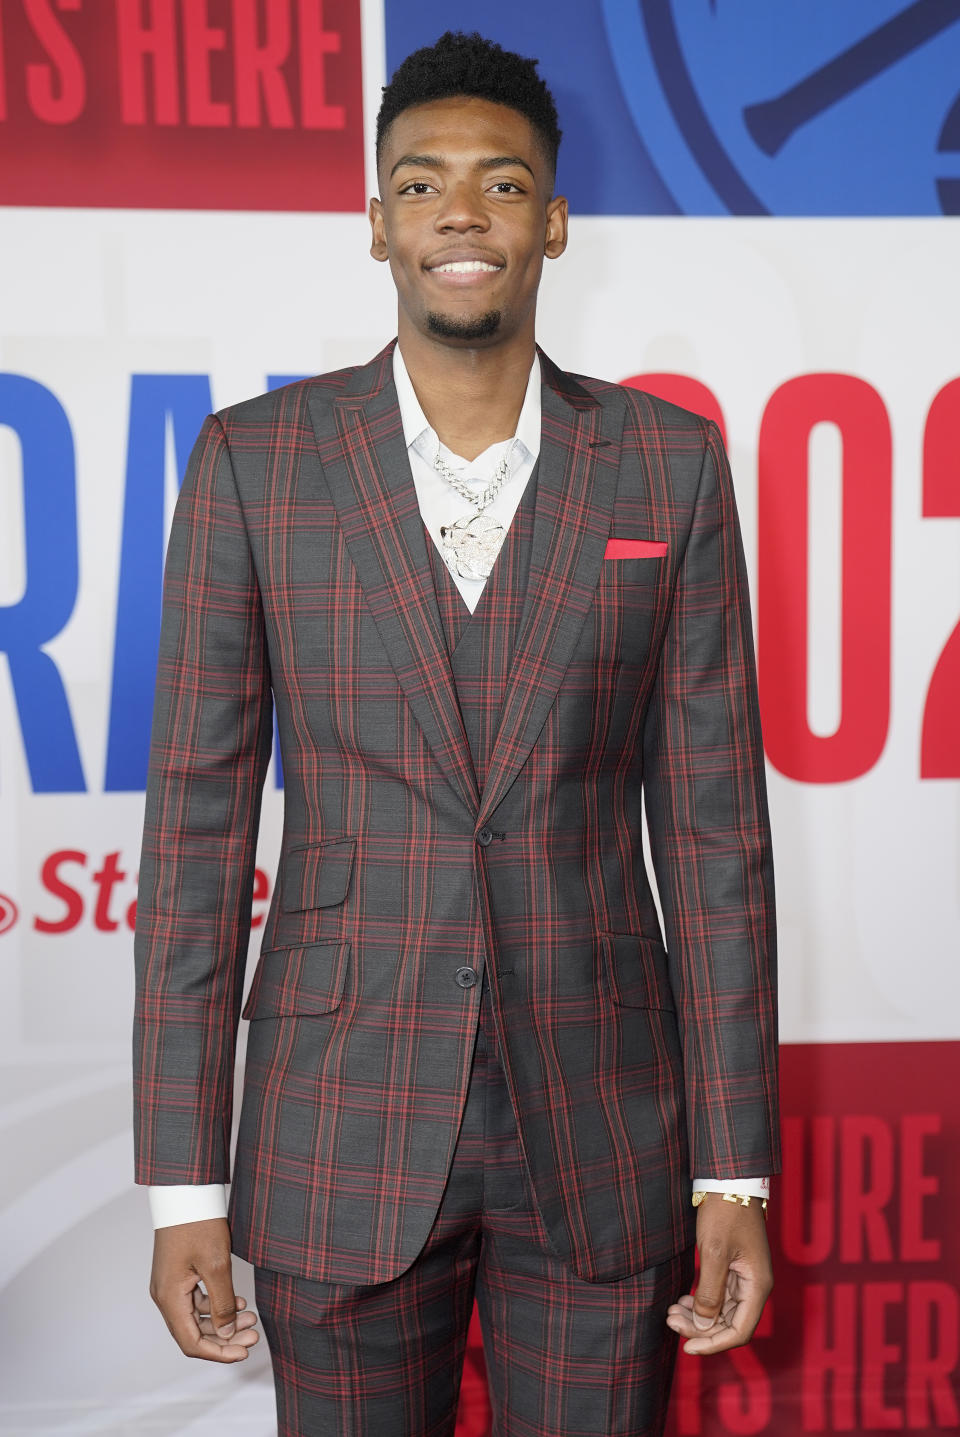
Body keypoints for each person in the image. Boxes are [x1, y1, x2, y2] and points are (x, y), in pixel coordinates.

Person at [134, 31, 779, 1437]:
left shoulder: (666, 469)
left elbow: (718, 844)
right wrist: (186, 1187)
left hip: (604, 1132)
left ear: (553, 219)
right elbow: (193, 842)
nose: (461, 214)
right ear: (377, 223)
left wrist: (735, 1174)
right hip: (336, 1125)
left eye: (500, 183)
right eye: (421, 185)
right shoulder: (258, 466)